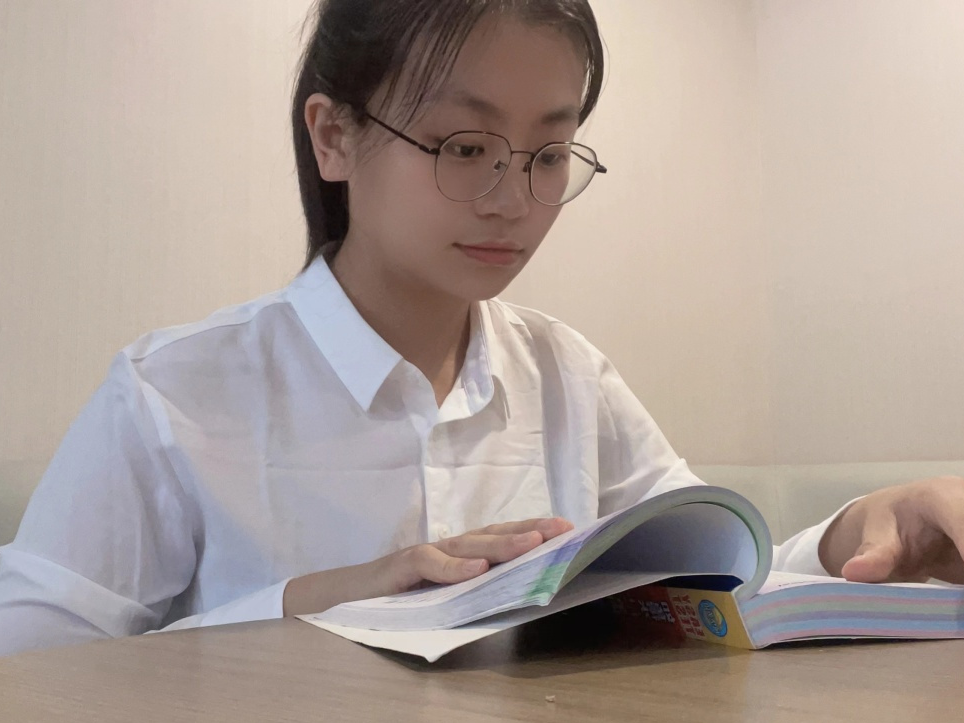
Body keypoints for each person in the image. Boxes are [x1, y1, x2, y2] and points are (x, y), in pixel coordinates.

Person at [1, 0, 962, 658]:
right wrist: (317, 601)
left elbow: (713, 572)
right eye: (465, 147)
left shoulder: (568, 377)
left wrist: (860, 534)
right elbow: (28, 666)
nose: (513, 199)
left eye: (549, 153)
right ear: (334, 135)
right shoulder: (173, 393)